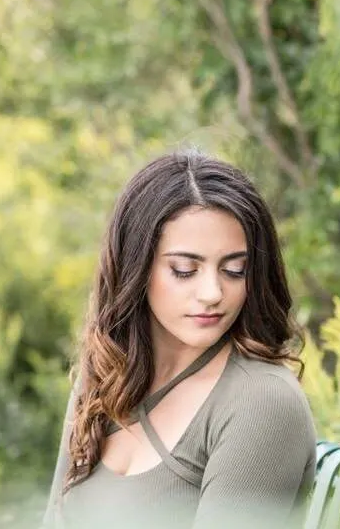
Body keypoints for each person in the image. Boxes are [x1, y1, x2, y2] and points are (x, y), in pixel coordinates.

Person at [41, 148, 317, 529]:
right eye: (185, 270)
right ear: (136, 269)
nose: (212, 293)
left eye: (235, 270)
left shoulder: (261, 401)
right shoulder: (106, 377)